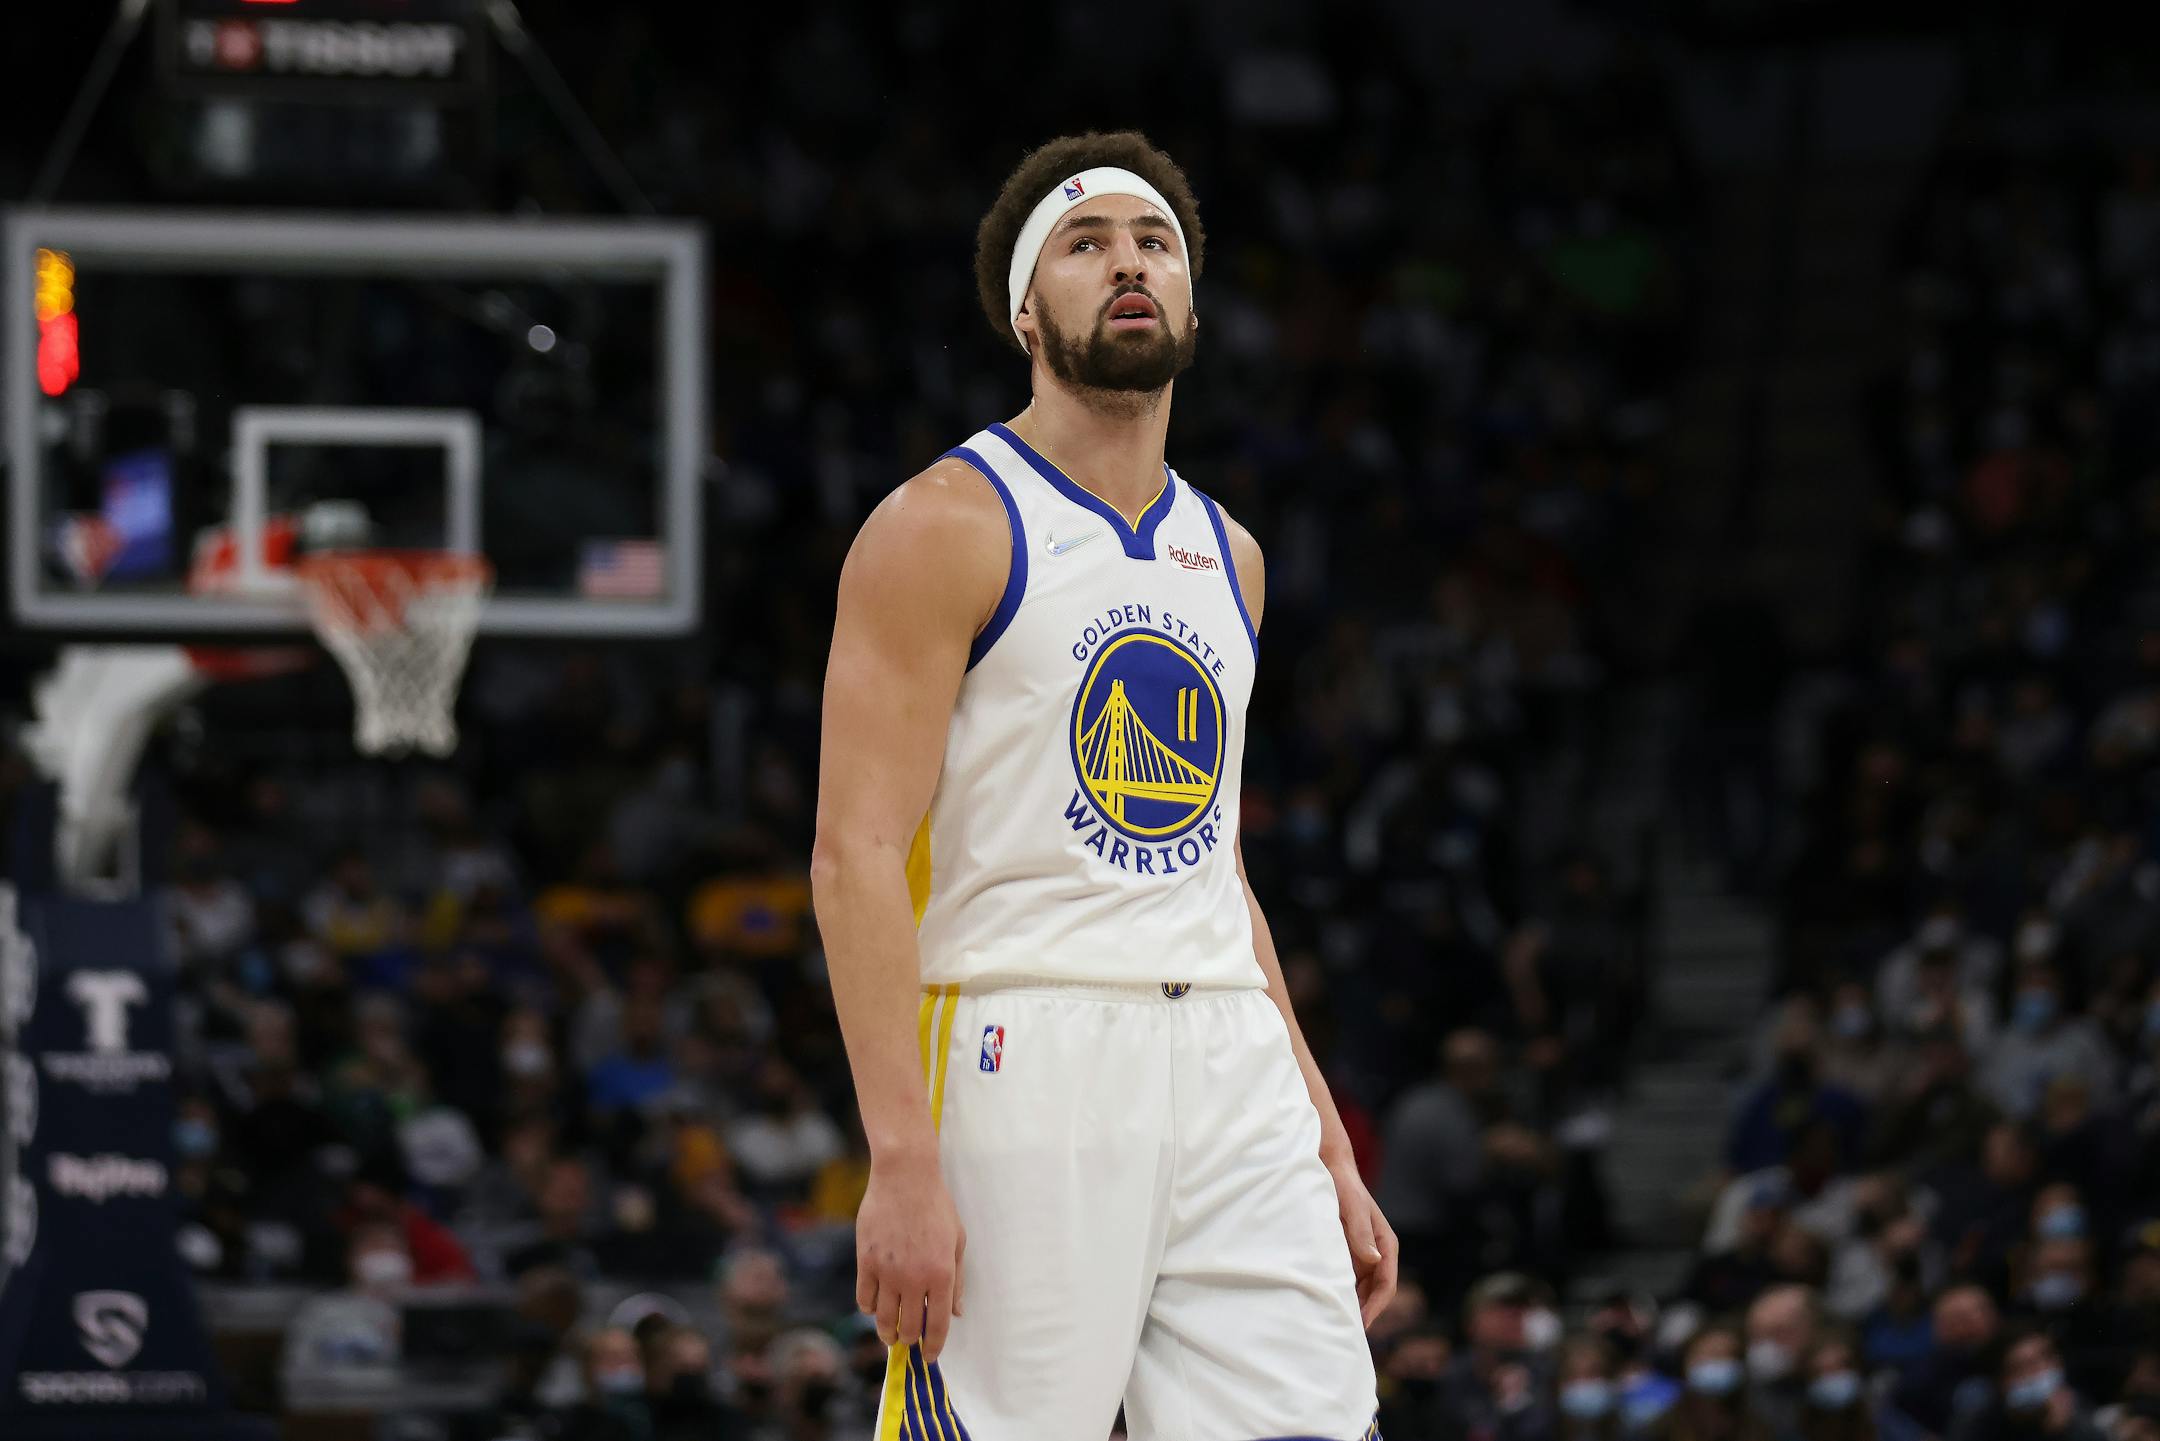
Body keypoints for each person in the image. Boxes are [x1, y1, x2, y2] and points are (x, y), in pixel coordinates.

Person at [813, 130, 1390, 1440]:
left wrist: (1321, 1131)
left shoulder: (1227, 555)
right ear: (1028, 308)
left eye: (1155, 245)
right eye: (1085, 244)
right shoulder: (942, 527)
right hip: (1025, 1043)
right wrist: (899, 1155)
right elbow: (853, 857)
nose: (1127, 264)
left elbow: (1216, 870)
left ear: (1191, 301)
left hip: (1227, 1057)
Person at [1658, 1325, 1774, 1441]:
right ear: (1685, 1363)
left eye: (1725, 1355)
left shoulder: (1761, 1428)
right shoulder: (1661, 1429)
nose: (1714, 1363)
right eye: (1706, 1355)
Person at [1797, 1333, 1875, 1441]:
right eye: (1823, 1372)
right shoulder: (1792, 1432)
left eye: (1839, 1368)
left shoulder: (1889, 1428)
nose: (1833, 1379)